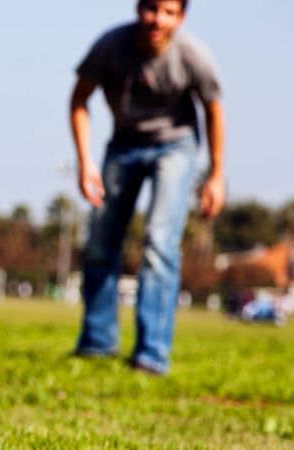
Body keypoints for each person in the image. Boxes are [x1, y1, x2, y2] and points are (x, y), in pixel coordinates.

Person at [69, 0, 225, 375]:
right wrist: (85, 161)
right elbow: (79, 99)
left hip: (176, 146)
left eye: (169, 12)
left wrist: (216, 175)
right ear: (139, 9)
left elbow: (214, 111)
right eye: (152, 9)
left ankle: (152, 354)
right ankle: (98, 342)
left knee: (159, 242)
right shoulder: (110, 46)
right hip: (123, 144)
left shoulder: (193, 56)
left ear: (181, 17)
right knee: (101, 241)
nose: (158, 19)